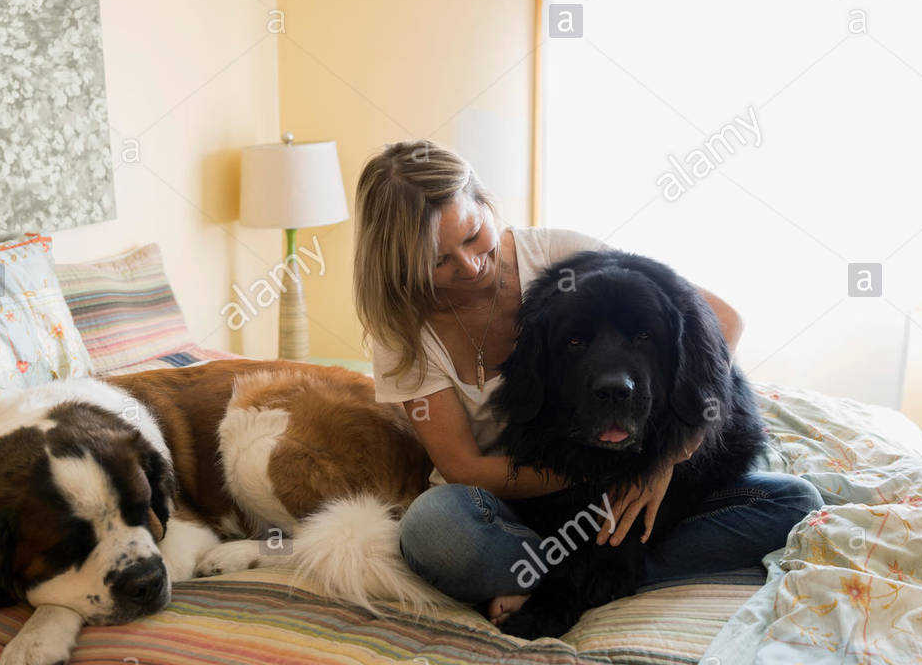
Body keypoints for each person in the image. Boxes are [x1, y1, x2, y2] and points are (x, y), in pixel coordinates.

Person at [352, 139, 823, 627]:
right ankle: (593, 573)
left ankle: (574, 580)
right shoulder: (400, 331)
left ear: (484, 203)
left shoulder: (564, 253)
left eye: (472, 236)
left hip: (637, 488)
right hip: (512, 499)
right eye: (437, 260)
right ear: (402, 262)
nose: (470, 266)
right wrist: (611, 474)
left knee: (794, 503)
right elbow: (463, 467)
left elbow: (721, 321)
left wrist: (667, 455)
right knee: (434, 533)